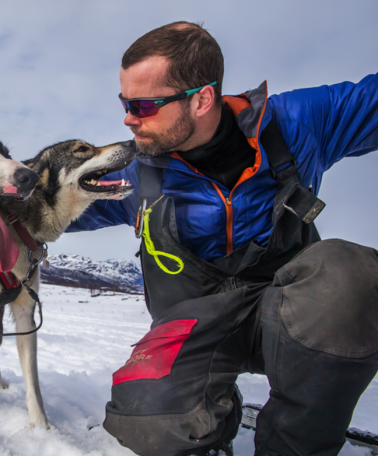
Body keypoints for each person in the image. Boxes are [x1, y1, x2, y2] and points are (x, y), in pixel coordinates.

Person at [67, 22, 378, 456]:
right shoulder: (136, 174)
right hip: (191, 328)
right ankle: (206, 416)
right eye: (125, 102)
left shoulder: (296, 125)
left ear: (202, 99)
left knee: (352, 273)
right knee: (147, 419)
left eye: (143, 104)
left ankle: (296, 444)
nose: (128, 117)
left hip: (288, 319)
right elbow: (47, 202)